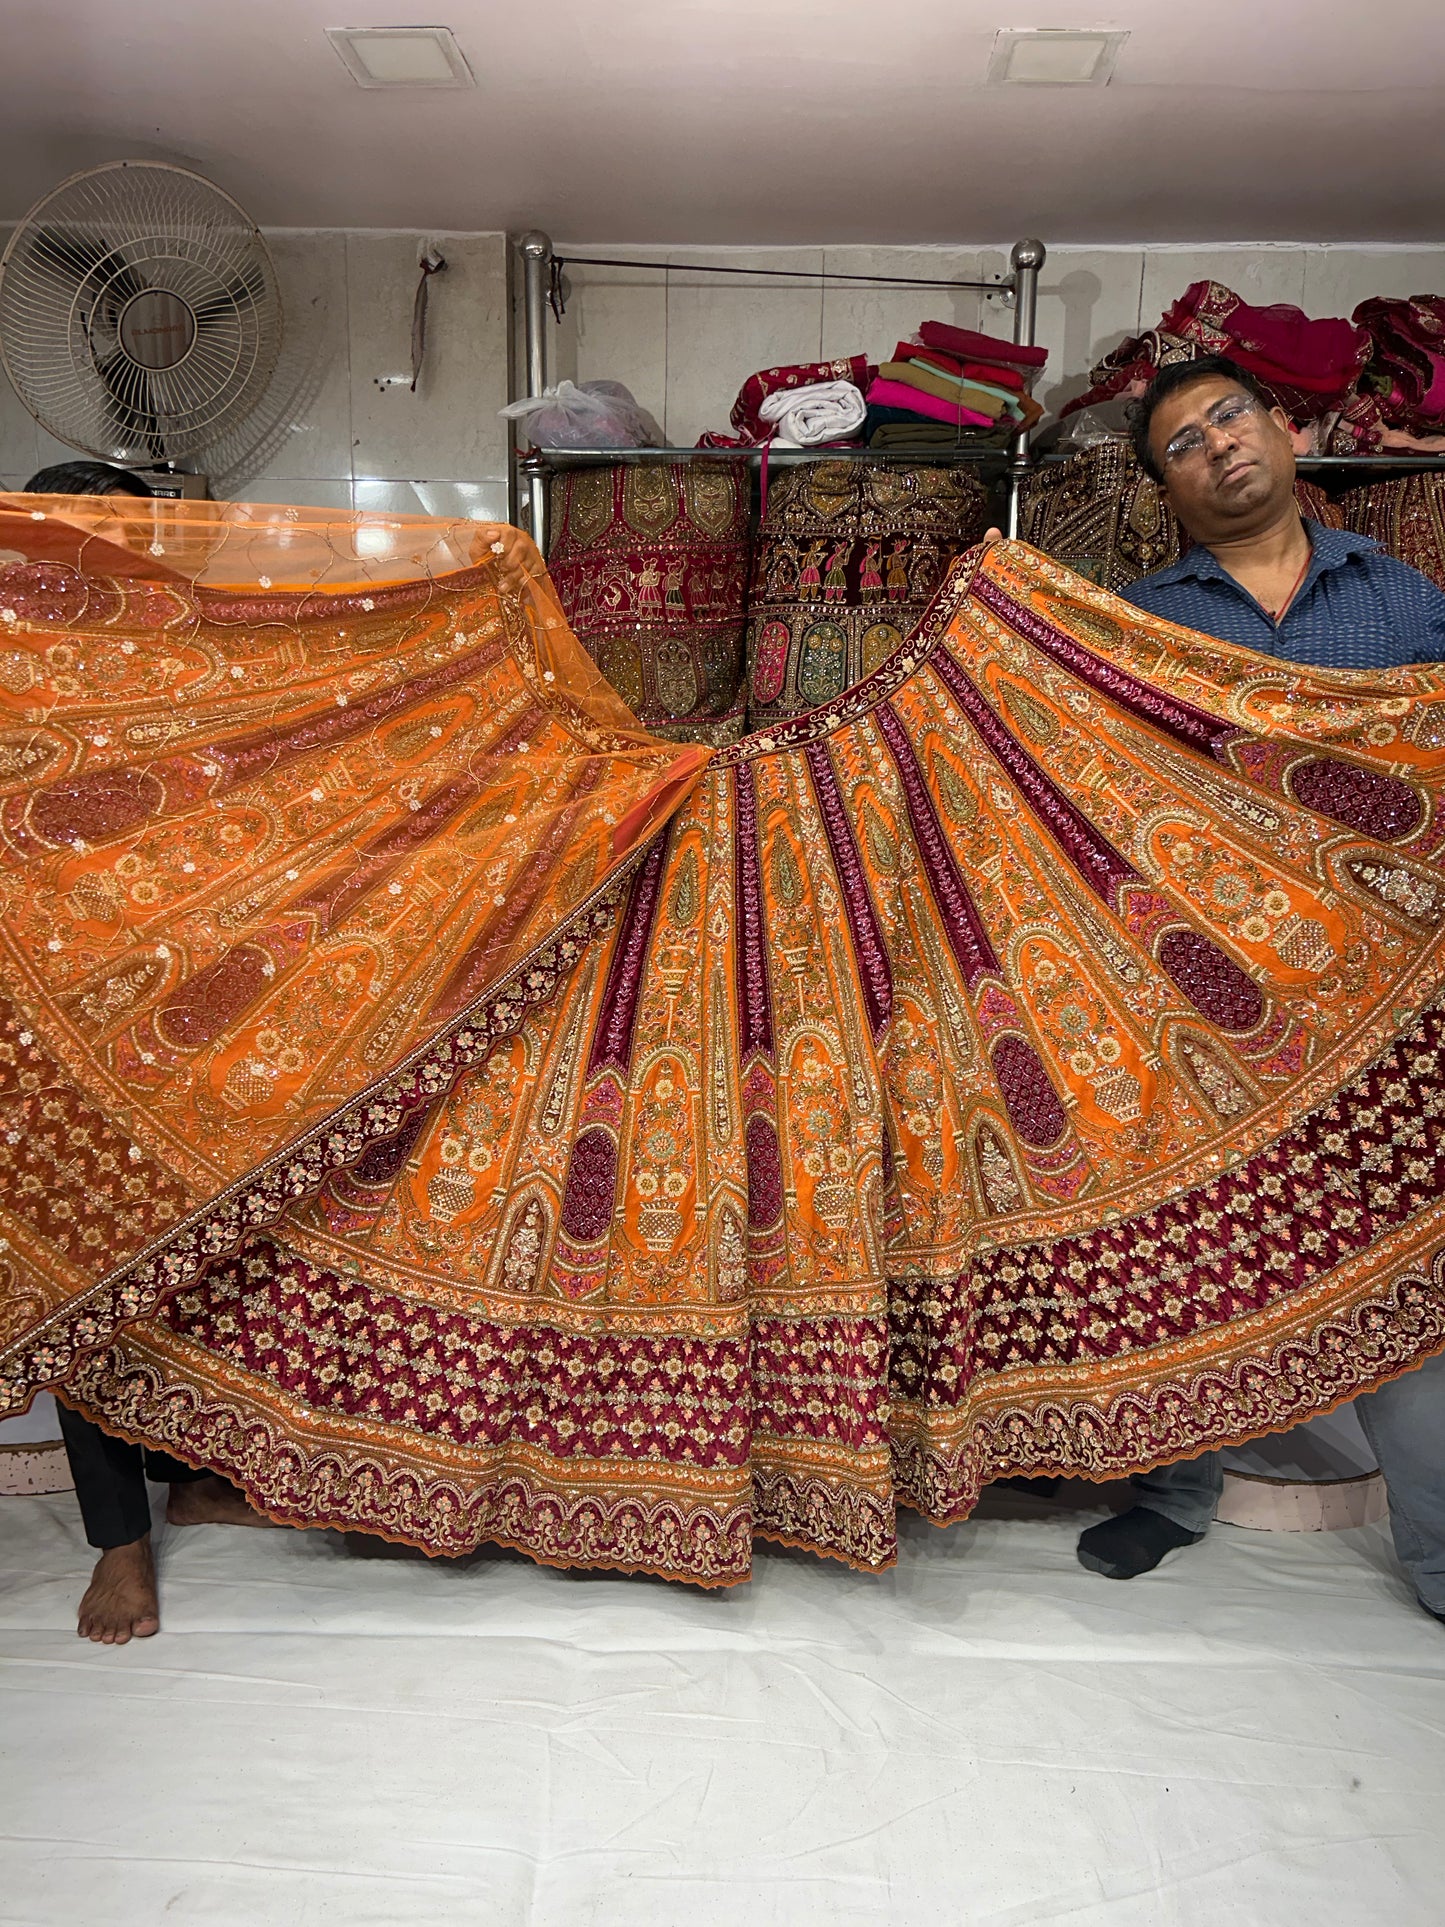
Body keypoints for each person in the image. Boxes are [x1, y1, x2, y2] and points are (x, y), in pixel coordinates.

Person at [1070, 356, 1445, 1623]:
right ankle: (1172, 1500)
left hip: (1381, 990)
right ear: (1166, 492)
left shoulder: (1401, 600)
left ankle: (1438, 1550)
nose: (1217, 446)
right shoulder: (1139, 621)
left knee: (1405, 1258)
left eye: (1229, 417)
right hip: (1209, 984)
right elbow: (1100, 789)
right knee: (1200, 1247)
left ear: (1284, 430)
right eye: (1182, 444)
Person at [24, 461, 273, 1645]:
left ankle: (191, 1470)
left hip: (177, 1000)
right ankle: (119, 1540)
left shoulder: (173, 655)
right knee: (81, 1267)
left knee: (199, 1248)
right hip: (52, 1018)